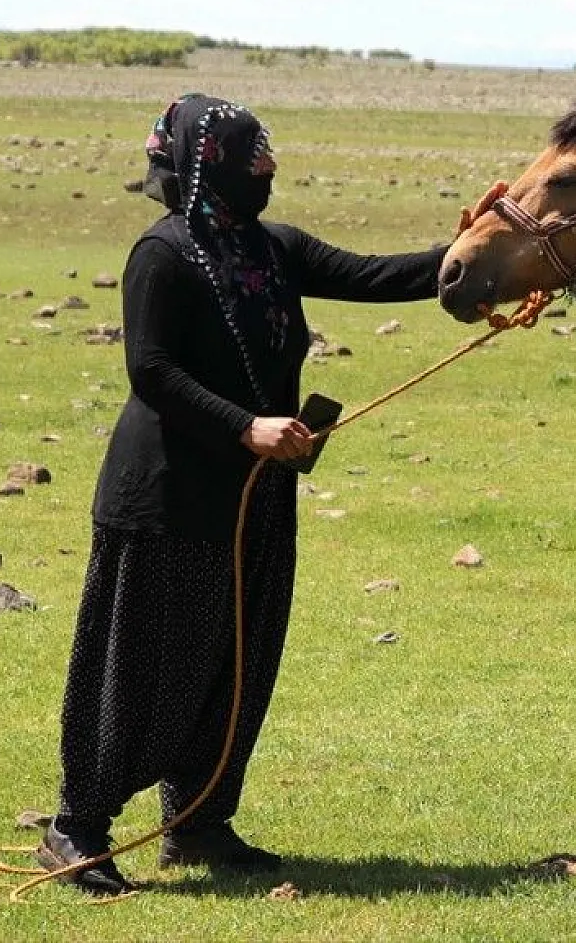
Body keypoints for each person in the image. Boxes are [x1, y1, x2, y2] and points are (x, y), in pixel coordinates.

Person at [37, 94, 447, 895]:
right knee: (145, 667)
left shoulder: (273, 247)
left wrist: (483, 247)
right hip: (166, 501)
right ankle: (75, 827)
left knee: (236, 659)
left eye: (264, 151)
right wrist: (246, 427)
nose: (265, 165)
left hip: (255, 497)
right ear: (203, 163)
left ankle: (198, 821)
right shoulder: (160, 255)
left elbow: (379, 275)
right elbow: (150, 372)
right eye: (248, 152)